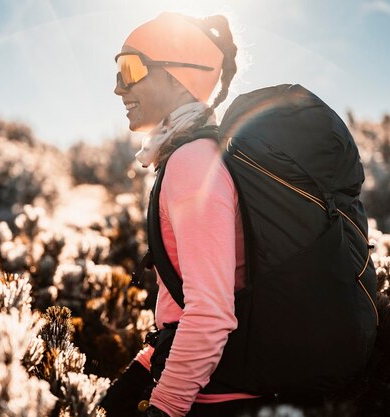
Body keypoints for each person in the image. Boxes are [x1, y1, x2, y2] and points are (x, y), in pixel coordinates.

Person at [102, 12, 264, 417]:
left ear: (177, 77)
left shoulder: (192, 163)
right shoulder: (189, 155)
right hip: (211, 385)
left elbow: (210, 312)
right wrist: (142, 369)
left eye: (130, 68)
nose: (118, 87)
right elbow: (184, 304)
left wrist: (165, 406)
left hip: (216, 398)